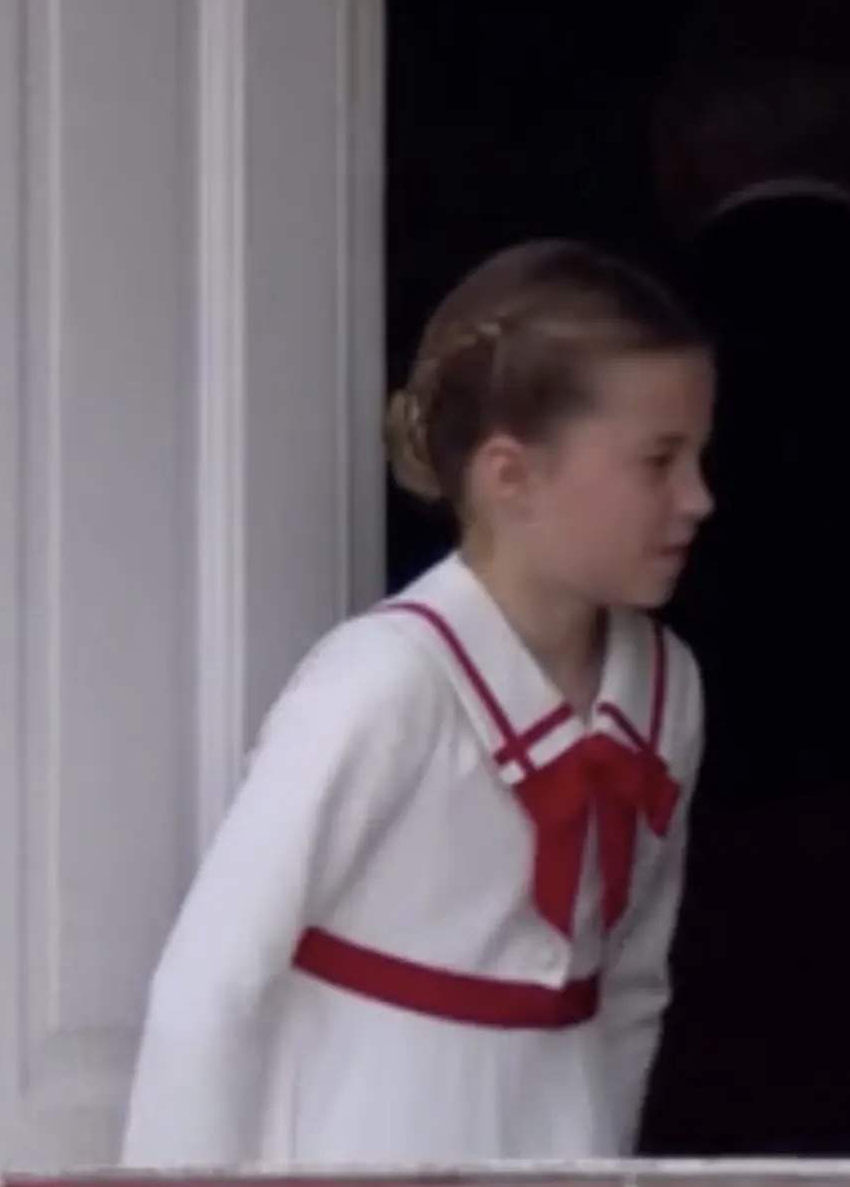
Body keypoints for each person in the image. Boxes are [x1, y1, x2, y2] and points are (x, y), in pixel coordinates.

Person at [121, 240, 716, 1166]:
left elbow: (633, 986)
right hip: (357, 1142)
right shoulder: (382, 684)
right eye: (659, 461)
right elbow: (212, 988)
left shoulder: (667, 690)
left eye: (698, 458)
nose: (698, 498)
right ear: (508, 473)